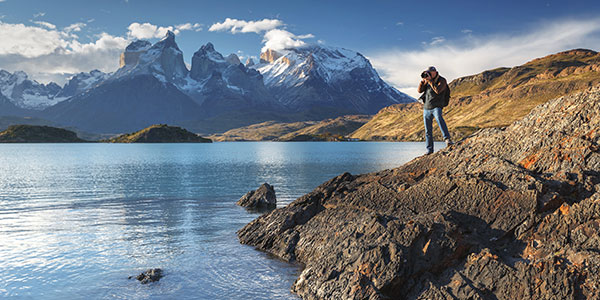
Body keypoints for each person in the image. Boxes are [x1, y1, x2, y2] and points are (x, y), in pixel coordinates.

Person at [417, 66, 453, 155]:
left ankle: (447, 139)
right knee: (428, 131)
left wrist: (430, 81)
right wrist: (423, 82)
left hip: (437, 106)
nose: (429, 74)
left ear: (435, 72)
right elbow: (419, 91)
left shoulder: (442, 80)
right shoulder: (427, 81)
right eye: (427, 72)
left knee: (440, 120)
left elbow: (438, 90)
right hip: (426, 108)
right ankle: (429, 150)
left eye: (430, 72)